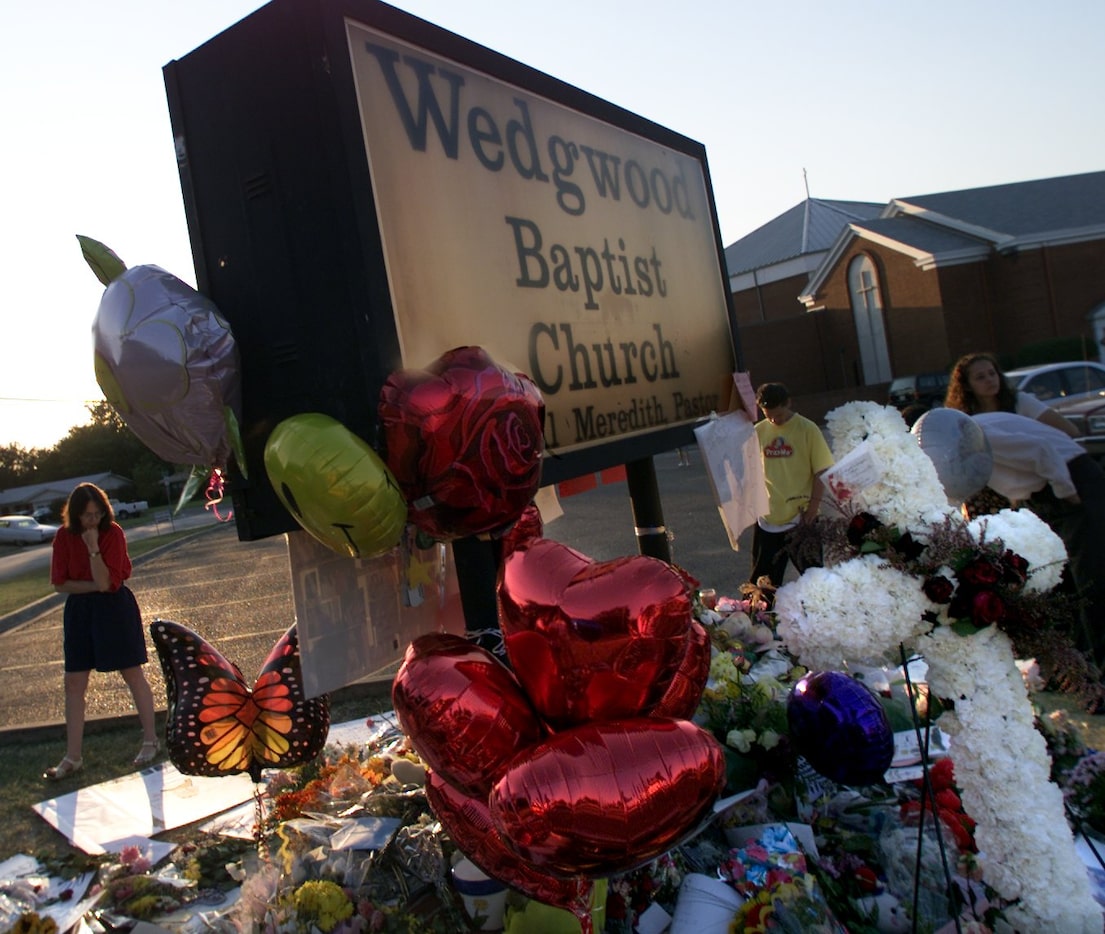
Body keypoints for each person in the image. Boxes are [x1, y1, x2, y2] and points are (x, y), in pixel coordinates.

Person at [973, 411, 1105, 678]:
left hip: (1070, 482)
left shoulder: (978, 433)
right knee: (1064, 585)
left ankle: (1099, 675)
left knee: (1091, 583)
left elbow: (1041, 450)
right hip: (1047, 490)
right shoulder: (971, 433)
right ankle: (1083, 673)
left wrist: (1068, 493)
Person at [44, 483, 159, 779]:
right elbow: (59, 583)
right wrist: (95, 585)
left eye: (97, 514)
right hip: (80, 612)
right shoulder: (62, 537)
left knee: (132, 674)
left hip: (114, 610)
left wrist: (94, 548)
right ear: (75, 515)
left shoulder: (113, 533)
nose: (92, 520)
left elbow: (109, 584)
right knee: (73, 682)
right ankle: (73, 756)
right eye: (86, 516)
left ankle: (150, 740)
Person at [748, 382, 834, 593]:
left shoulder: (808, 429)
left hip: (802, 517)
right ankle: (762, 622)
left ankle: (821, 620)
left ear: (789, 403)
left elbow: (821, 472)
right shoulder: (757, 432)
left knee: (816, 581)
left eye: (779, 415)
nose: (774, 420)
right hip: (768, 518)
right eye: (769, 416)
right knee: (762, 585)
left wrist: (812, 510)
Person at [945, 351, 1081, 437]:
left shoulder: (1020, 401)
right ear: (967, 386)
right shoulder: (960, 416)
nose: (989, 380)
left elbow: (1070, 430)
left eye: (992, 374)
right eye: (980, 377)